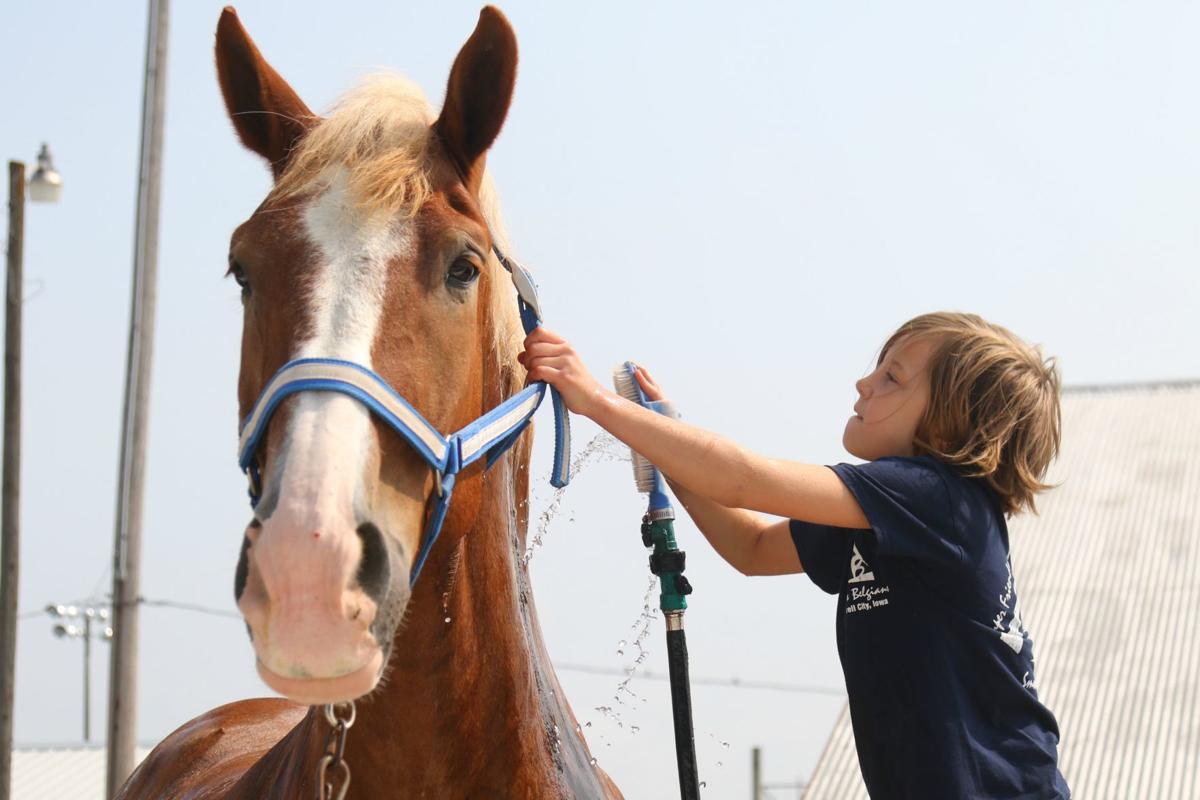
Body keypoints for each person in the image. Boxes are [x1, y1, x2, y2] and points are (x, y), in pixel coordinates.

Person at [518, 311, 1071, 799]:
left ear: (948, 425)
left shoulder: (940, 499)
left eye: (892, 377)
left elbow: (739, 480)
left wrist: (597, 401)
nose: (864, 382)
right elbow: (751, 546)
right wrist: (664, 442)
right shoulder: (885, 519)